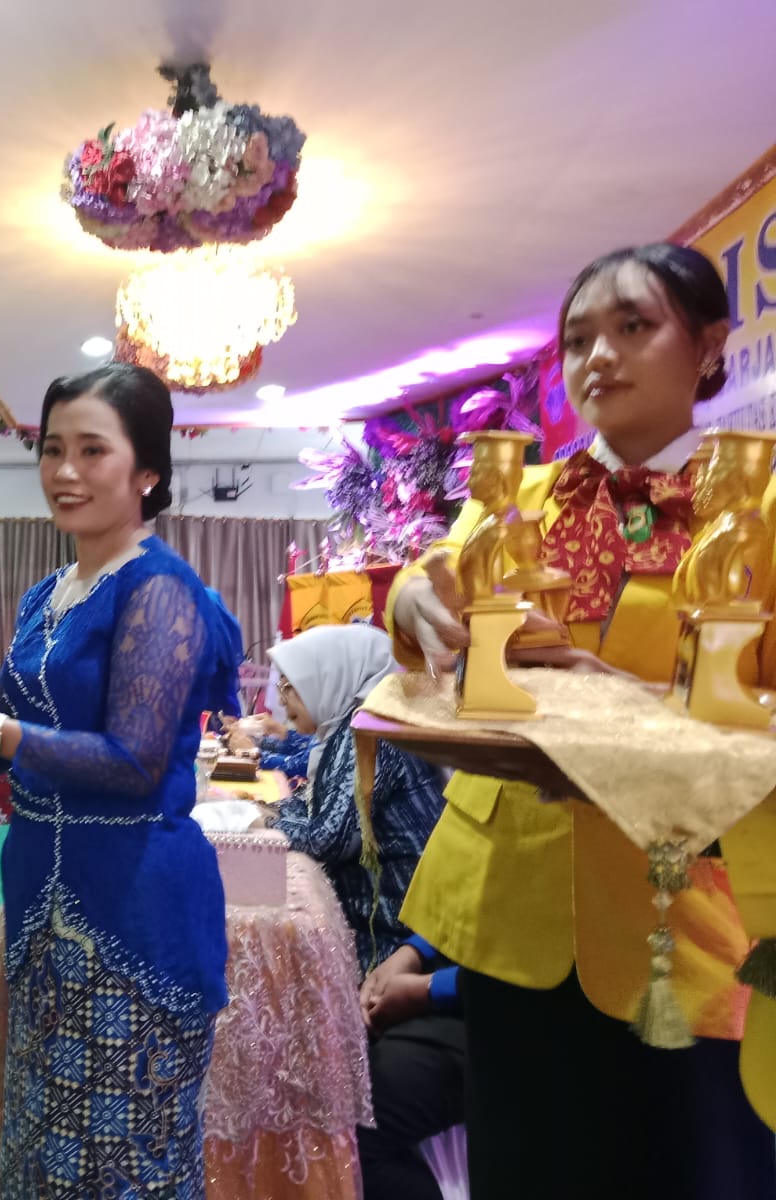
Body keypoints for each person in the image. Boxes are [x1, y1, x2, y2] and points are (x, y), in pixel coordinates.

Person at [390, 244, 776, 1197]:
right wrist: (412, 602)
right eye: (577, 339)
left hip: (684, 918)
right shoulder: (520, 495)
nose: (599, 356)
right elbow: (426, 579)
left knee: (692, 1169)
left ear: (710, 345)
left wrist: (630, 704)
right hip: (510, 909)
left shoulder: (757, 506)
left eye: (633, 326)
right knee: (526, 1169)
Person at [0, 363, 243, 1197]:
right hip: (42, 902)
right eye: (51, 450)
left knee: (123, 1156)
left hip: (132, 904)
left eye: (92, 450)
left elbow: (133, 762)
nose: (65, 471)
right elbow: (12, 749)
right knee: (44, 1141)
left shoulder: (161, 591)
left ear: (146, 471)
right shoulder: (46, 595)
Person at [266, 623, 447, 972]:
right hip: (377, 919)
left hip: (392, 940)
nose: (282, 699)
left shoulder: (373, 733)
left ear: (331, 677)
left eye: (291, 685)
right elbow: (314, 806)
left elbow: (327, 840)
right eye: (281, 685)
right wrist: (267, 813)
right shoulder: (349, 729)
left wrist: (264, 823)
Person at [356, 935, 466, 1200]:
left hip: (501, 1013)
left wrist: (430, 988)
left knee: (353, 1124)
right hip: (439, 979)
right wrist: (414, 951)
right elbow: (466, 912)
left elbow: (523, 971)